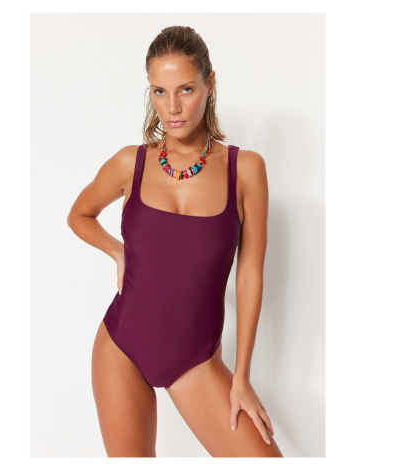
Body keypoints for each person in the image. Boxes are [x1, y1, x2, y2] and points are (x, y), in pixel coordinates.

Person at [67, 25, 283, 458]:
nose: (173, 107)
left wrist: (241, 377)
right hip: (120, 347)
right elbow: (79, 215)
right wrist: (117, 251)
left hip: (195, 361)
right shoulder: (130, 163)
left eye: (186, 89)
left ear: (209, 83)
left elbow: (249, 276)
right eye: (159, 92)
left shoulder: (245, 170)